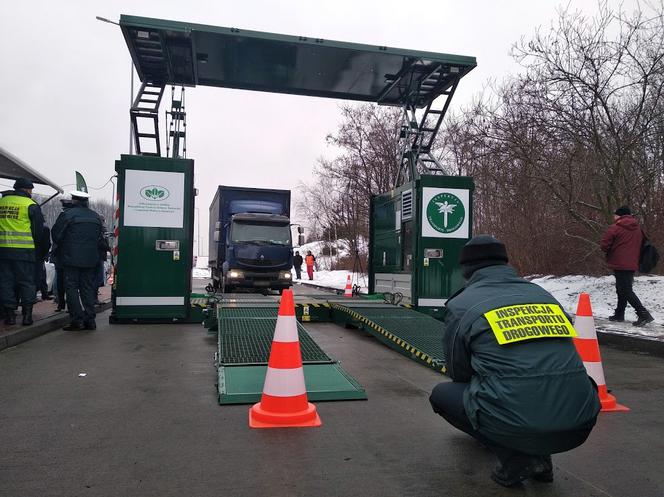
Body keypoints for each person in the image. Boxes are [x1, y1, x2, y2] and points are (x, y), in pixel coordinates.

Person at [430, 235, 600, 487]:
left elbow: (460, 372)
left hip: (519, 419)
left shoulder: (462, 305)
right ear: (505, 263)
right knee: (539, 383)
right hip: (580, 418)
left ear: (466, 270)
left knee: (442, 395)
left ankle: (518, 458)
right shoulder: (543, 295)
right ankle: (541, 459)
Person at [52, 191, 104, 331]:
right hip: (90, 259)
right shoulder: (95, 217)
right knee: (87, 288)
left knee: (72, 288)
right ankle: (90, 320)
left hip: (71, 259)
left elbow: (56, 235)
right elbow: (100, 238)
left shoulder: (67, 215)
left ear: (74, 201)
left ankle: (77, 320)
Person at [0, 178, 45, 325]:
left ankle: (9, 315)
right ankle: (27, 315)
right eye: (31, 190)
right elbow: (38, 232)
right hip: (25, 251)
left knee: (6, 282)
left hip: (3, 251)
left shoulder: (2, 203)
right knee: (26, 283)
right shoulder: (31, 205)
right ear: (27, 190)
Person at [600, 206, 654, 327]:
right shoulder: (638, 229)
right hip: (632, 263)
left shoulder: (615, 228)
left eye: (615, 215)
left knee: (626, 290)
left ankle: (643, 314)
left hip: (619, 262)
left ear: (619, 216)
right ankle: (619, 313)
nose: (614, 217)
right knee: (622, 288)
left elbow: (604, 245)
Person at [34, 226, 52, 300]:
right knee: (41, 275)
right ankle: (43, 293)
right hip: (39, 256)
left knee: (40, 275)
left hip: (33, 254)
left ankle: (42, 294)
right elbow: (46, 244)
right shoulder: (44, 229)